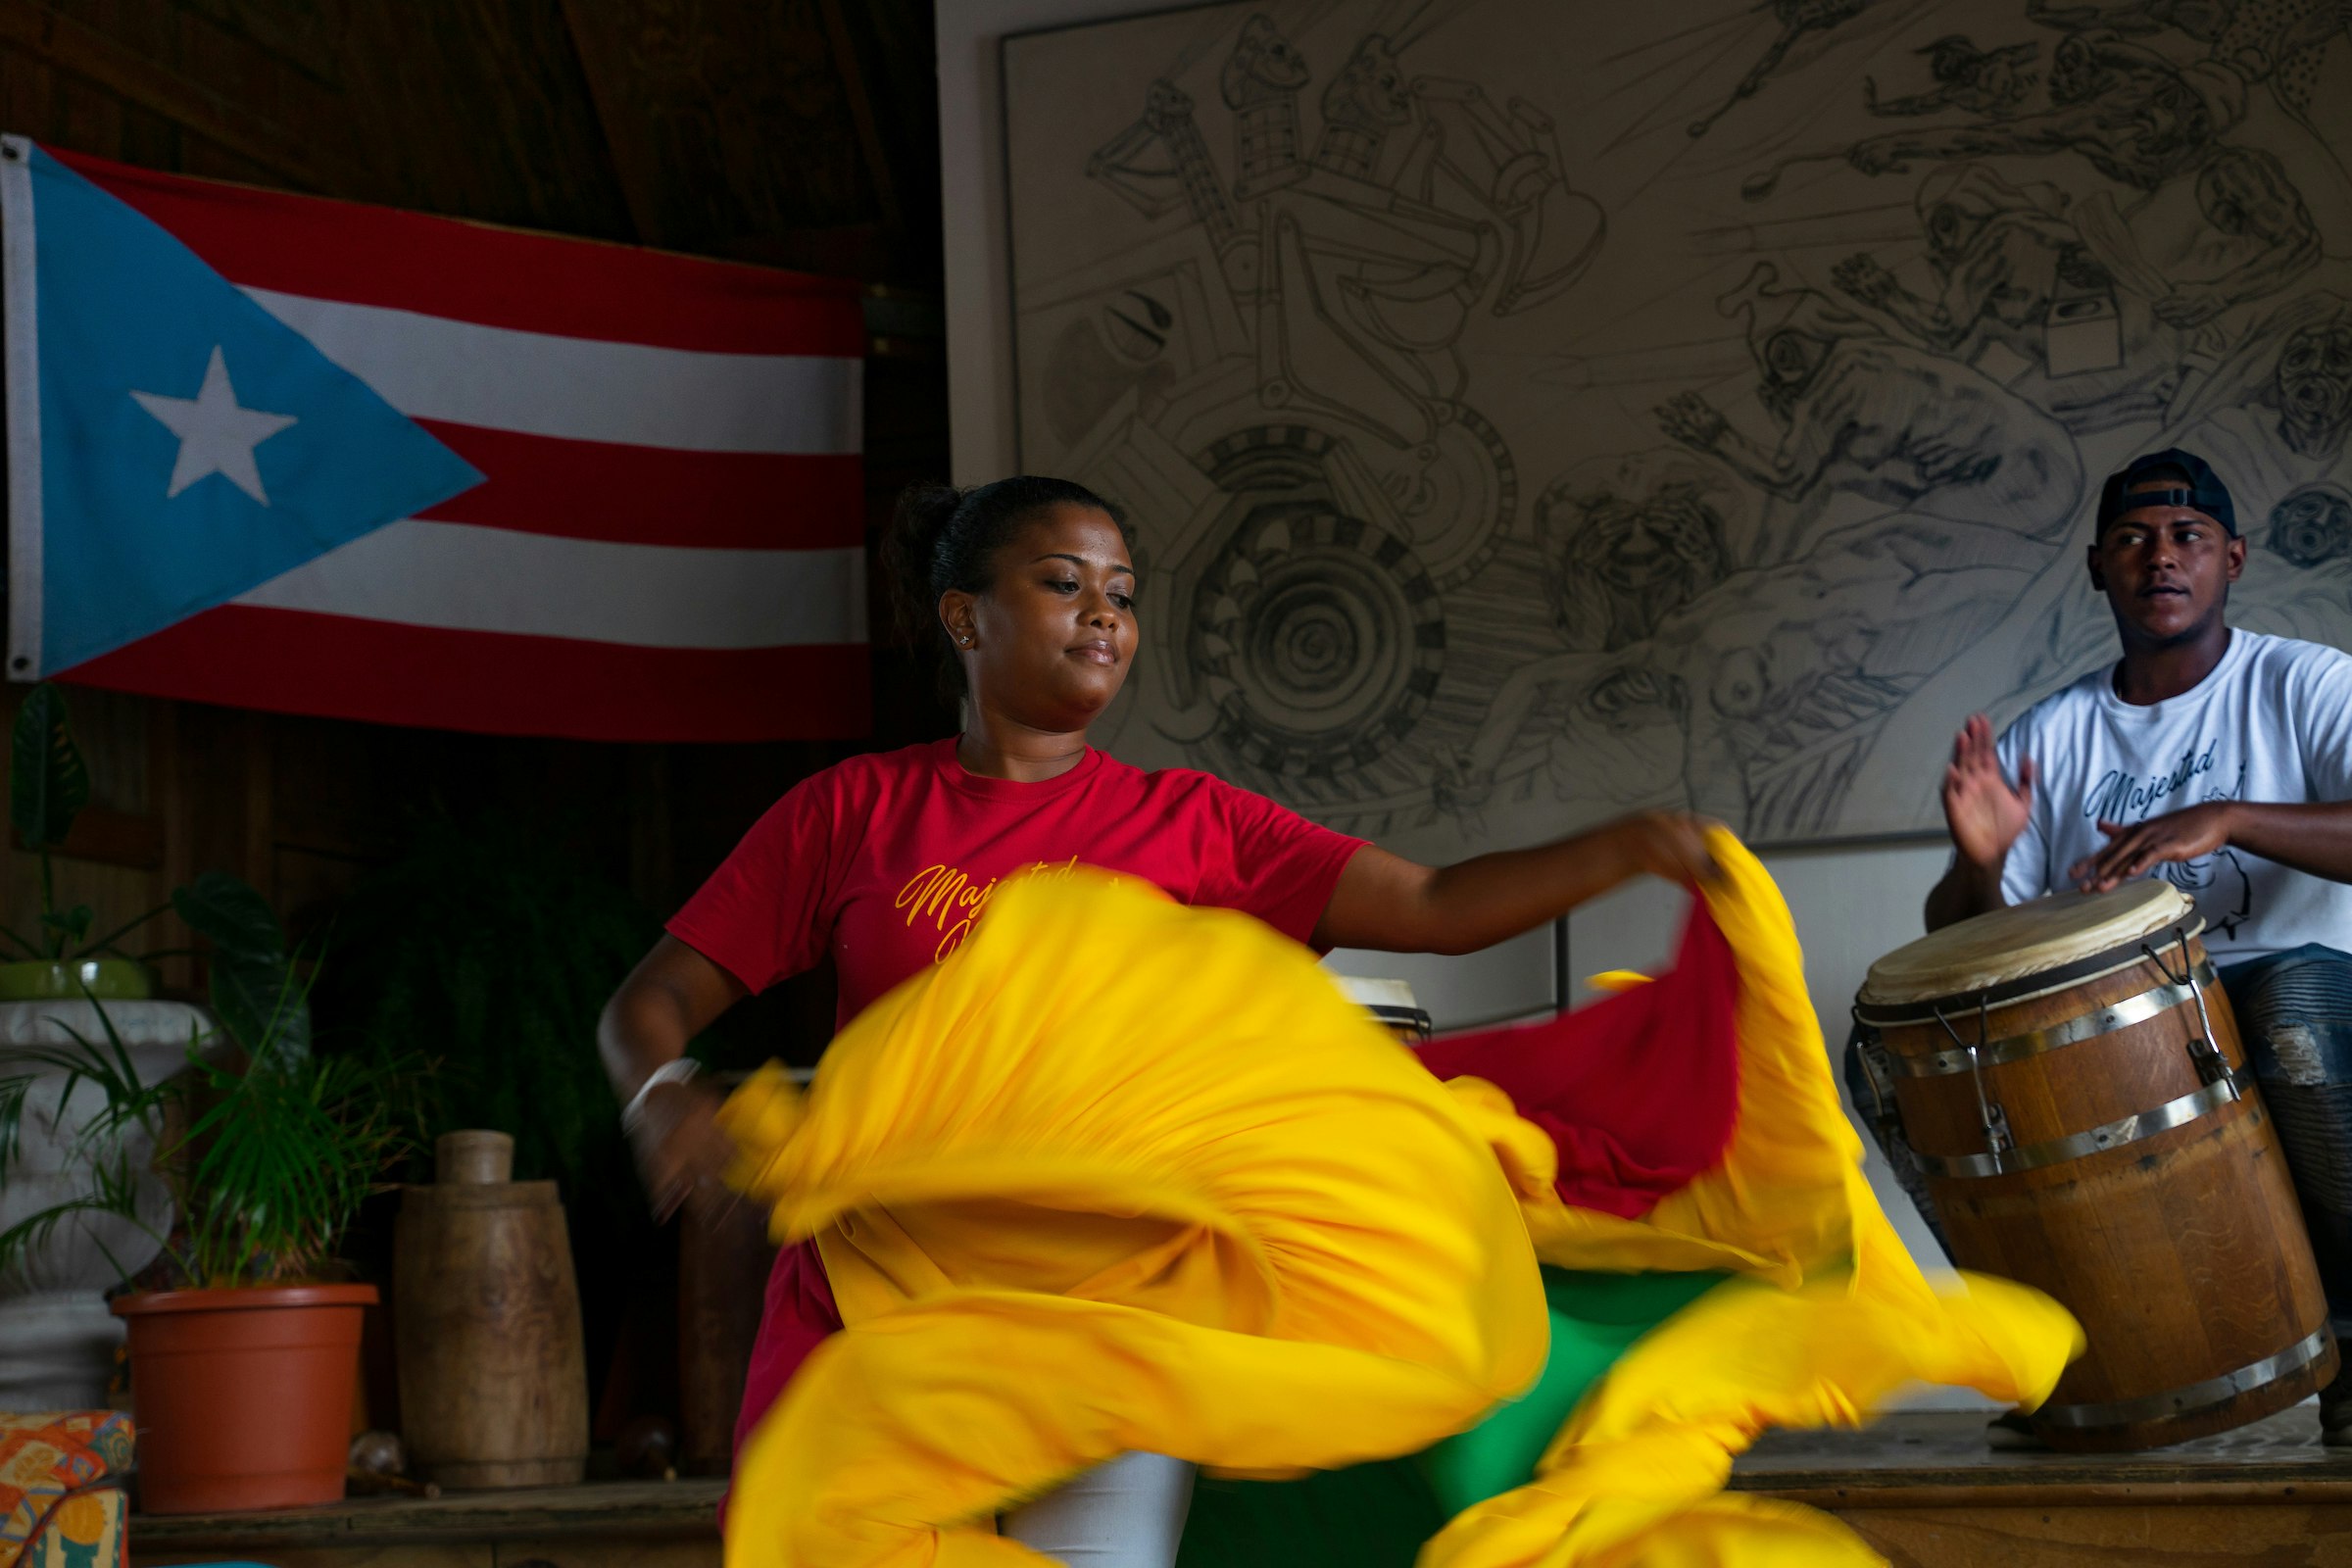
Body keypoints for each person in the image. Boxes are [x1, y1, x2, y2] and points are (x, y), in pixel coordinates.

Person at [598, 475, 1721, 1566]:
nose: (1105, 613)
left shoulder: (1192, 824)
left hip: (1111, 1314)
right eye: (1062, 582)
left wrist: (1620, 848)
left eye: (1123, 593)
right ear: (963, 617)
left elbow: (1432, 905)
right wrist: (662, 1098)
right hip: (882, 1297)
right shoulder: (854, 813)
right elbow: (650, 1001)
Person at [1846, 447, 2352, 1438]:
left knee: (2286, 1013)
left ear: (2233, 558)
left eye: (2186, 536)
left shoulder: (2307, 683)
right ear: (2097, 568)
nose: (2158, 557)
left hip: (2289, 984)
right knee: (1894, 1066)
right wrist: (1984, 864)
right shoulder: (2056, 733)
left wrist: (2232, 816)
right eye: (2131, 538)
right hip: (2121, 1020)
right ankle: (2061, 1356)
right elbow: (1965, 946)